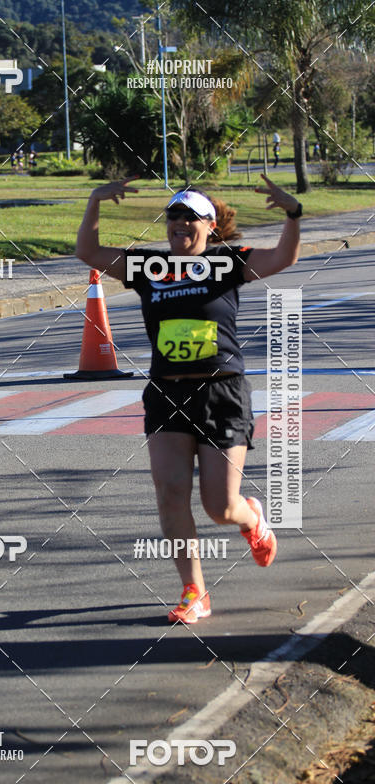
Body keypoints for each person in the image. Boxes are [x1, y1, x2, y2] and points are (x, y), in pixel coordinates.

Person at [76, 174, 302, 624]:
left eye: (189, 217)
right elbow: (89, 253)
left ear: (210, 227)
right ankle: (194, 590)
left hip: (222, 391)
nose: (178, 223)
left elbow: (283, 257)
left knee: (219, 507)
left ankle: (251, 518)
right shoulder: (148, 267)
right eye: (172, 216)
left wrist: (293, 214)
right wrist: (94, 202)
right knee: (170, 492)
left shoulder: (228, 263)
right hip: (167, 393)